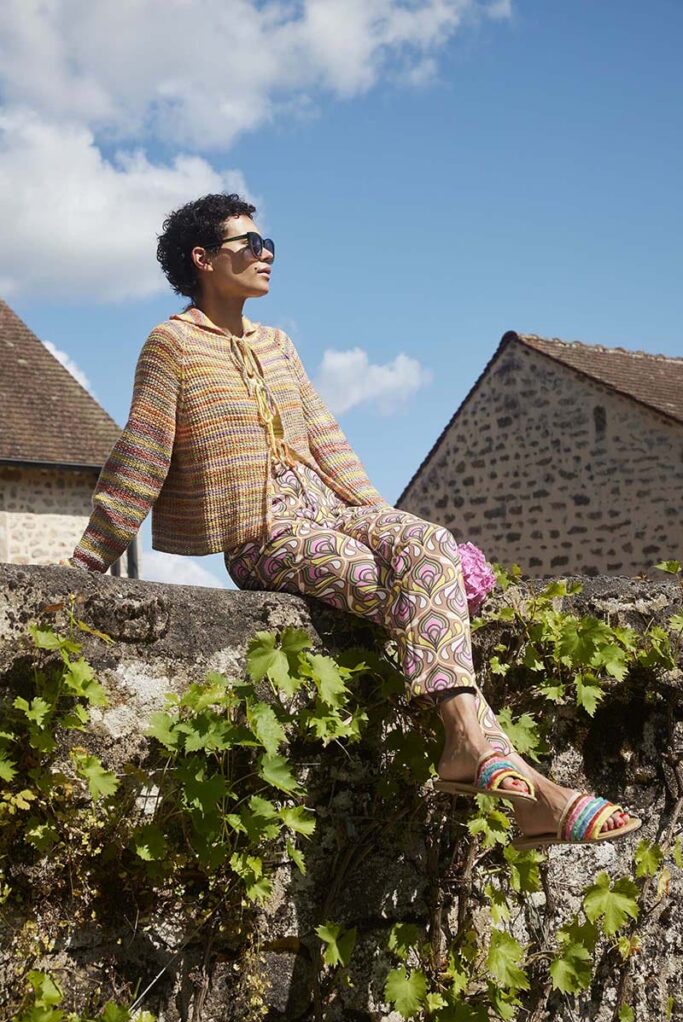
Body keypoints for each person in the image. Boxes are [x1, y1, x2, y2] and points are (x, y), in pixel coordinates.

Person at [68, 193, 641, 850]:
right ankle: (533, 790)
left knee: (430, 544)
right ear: (202, 259)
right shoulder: (171, 344)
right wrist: (89, 559)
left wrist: (389, 526)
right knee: (412, 601)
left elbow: (327, 440)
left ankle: (480, 759)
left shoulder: (278, 345)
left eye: (267, 243)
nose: (265, 254)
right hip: (263, 536)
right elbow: (142, 453)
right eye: (248, 244)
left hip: (330, 512)